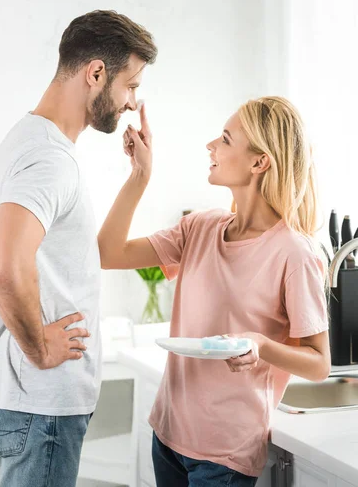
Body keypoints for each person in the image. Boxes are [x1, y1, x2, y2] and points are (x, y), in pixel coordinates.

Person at [0, 10, 157, 487]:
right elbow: (3, 266)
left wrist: (139, 178)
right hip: (40, 406)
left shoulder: (36, 143)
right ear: (96, 73)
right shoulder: (48, 158)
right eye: (129, 86)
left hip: (34, 407)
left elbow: (84, 256)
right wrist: (40, 346)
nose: (133, 102)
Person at [98, 96, 331, 487]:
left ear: (260, 162)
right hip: (168, 434)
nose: (211, 146)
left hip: (223, 454)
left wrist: (261, 345)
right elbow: (109, 252)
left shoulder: (294, 252)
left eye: (225, 138)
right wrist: (139, 175)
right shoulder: (200, 228)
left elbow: (319, 364)